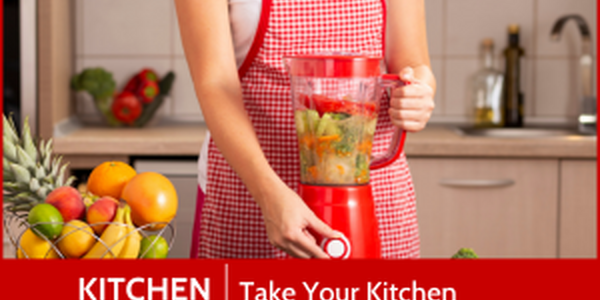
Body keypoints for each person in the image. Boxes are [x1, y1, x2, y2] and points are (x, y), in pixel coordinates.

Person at [174, 0, 436, 259]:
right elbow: (215, 83)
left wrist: (419, 93)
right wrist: (268, 195)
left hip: (376, 194)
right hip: (253, 190)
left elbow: (414, 63)